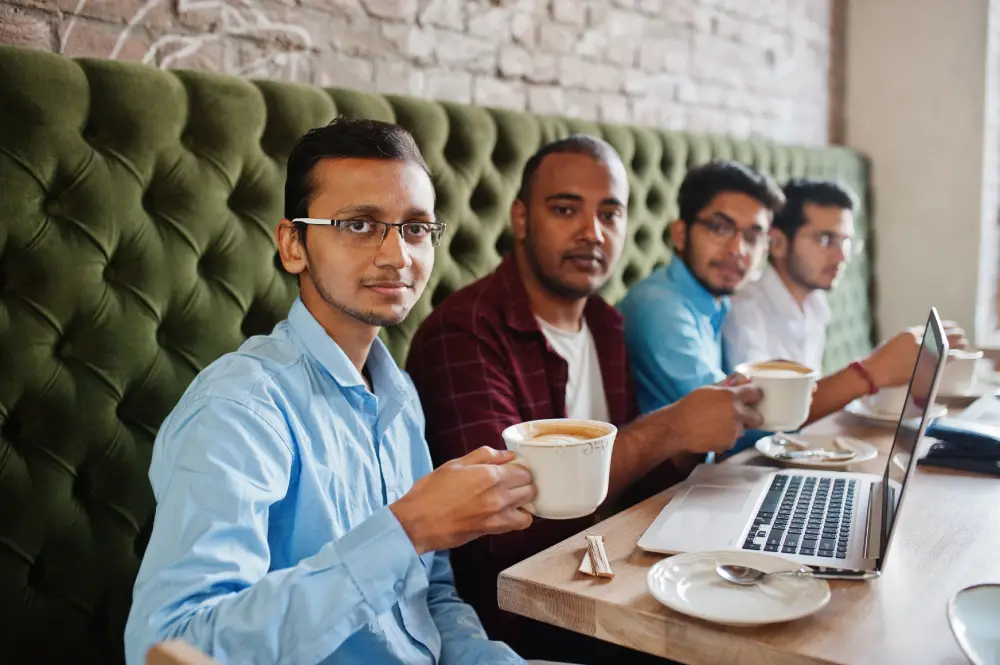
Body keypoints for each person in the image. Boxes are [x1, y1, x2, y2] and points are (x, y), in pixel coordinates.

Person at [124, 118, 539, 665]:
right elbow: (172, 643)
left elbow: (432, 598)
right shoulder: (239, 407)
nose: (397, 256)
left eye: (415, 228)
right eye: (360, 225)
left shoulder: (401, 395)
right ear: (293, 245)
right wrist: (407, 528)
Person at [406, 136, 764, 662]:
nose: (592, 233)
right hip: (524, 615)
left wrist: (694, 437)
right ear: (522, 218)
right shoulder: (464, 333)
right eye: (566, 209)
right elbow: (501, 524)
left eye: (610, 214)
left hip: (614, 579)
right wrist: (669, 428)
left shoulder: (605, 323)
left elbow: (637, 487)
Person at [619, 160, 966, 423]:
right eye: (720, 228)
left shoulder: (711, 303)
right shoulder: (664, 309)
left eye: (753, 236)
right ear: (679, 234)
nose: (738, 250)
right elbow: (733, 421)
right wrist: (870, 372)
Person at [723, 178, 860, 371]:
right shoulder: (747, 310)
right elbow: (762, 397)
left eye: (845, 241)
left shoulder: (816, 304)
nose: (842, 256)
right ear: (777, 243)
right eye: (825, 239)